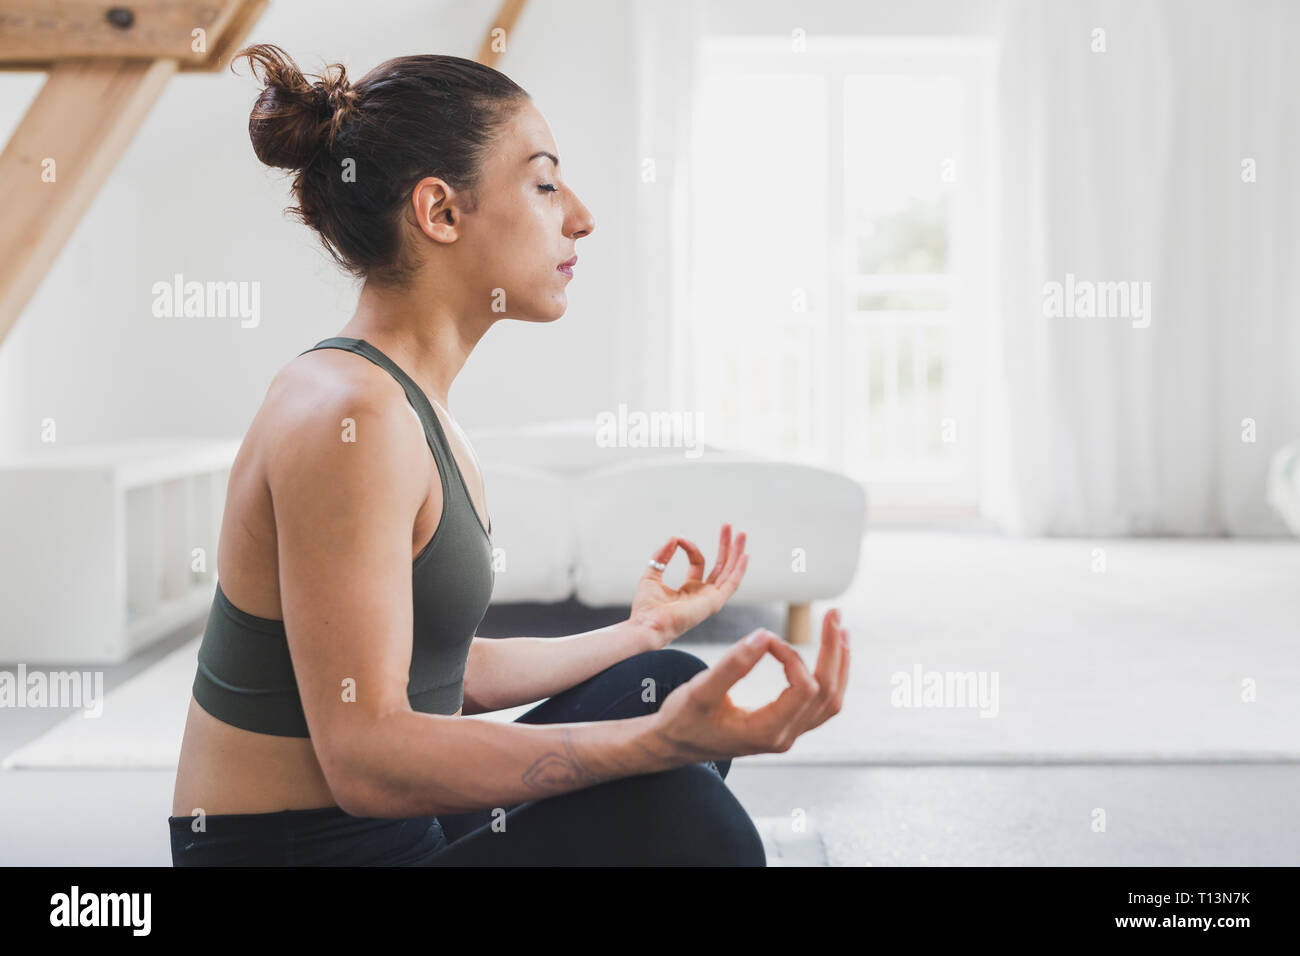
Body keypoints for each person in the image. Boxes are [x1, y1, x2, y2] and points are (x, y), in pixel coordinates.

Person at [168, 44, 850, 866]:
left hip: (393, 831)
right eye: (544, 184)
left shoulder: (407, 402)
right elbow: (366, 759)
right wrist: (653, 746)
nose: (581, 217)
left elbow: (446, 673)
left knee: (661, 677)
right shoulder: (348, 417)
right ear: (441, 213)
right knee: (681, 815)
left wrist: (638, 633)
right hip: (309, 854)